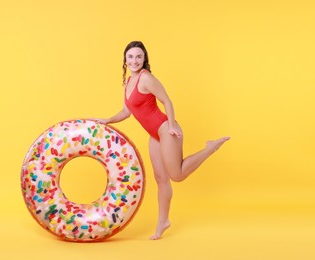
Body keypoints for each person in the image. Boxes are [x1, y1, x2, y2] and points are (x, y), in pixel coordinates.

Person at [95, 41, 230, 240]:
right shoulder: (128, 83)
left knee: (177, 175)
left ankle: (211, 148)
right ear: (125, 59)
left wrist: (172, 125)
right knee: (161, 179)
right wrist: (108, 120)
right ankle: (163, 222)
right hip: (154, 135)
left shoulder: (146, 78)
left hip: (165, 130)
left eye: (138, 57)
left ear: (144, 59)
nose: (134, 60)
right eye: (130, 57)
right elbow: (127, 111)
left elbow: (166, 100)